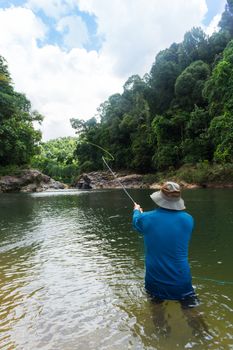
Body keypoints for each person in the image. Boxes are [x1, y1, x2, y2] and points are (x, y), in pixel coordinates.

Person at [132, 181, 199, 308]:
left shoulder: (145, 218)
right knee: (194, 316)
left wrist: (137, 211)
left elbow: (137, 222)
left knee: (157, 315)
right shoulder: (188, 219)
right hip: (181, 280)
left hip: (155, 280)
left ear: (160, 198)